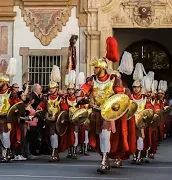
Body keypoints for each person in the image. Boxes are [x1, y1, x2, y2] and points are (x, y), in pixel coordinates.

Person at [76, 36, 129, 174]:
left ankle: (105, 160)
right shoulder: (91, 80)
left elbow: (121, 95)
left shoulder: (113, 79)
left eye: (96, 67)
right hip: (96, 113)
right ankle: (104, 156)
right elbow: (84, 89)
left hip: (109, 114)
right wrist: (80, 96)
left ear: (103, 68)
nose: (94, 70)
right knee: (99, 137)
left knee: (105, 135)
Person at [37, 65, 68, 162]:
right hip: (49, 120)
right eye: (50, 88)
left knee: (54, 136)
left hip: (57, 121)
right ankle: (54, 152)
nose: (50, 90)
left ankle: (55, 153)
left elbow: (64, 109)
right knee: (50, 136)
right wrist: (39, 108)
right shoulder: (46, 98)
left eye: (52, 88)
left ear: (56, 88)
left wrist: (60, 117)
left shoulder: (60, 99)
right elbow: (42, 105)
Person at [0, 71, 21, 162]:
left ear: (4, 82)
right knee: (0, 136)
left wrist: (12, 118)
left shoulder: (11, 93)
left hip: (8, 118)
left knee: (5, 136)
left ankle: (6, 155)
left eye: (0, 82)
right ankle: (7, 153)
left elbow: (17, 106)